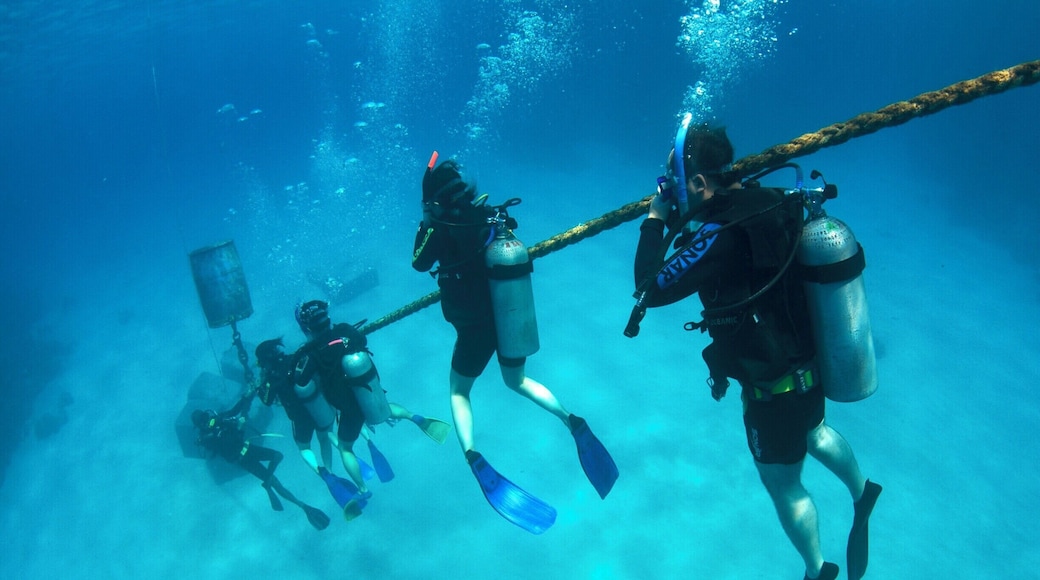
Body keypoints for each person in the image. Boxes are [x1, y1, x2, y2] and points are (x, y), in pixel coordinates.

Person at [629, 121, 881, 580]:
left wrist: (654, 219)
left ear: (698, 182)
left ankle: (817, 570)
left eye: (672, 179)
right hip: (810, 368)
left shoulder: (720, 232)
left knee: (783, 484)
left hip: (772, 391)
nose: (666, 188)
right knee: (817, 433)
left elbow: (649, 288)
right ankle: (863, 492)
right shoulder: (774, 201)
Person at [411, 151, 618, 534]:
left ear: (435, 200)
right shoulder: (489, 217)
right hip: (509, 318)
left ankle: (473, 455)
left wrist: (426, 221)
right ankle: (571, 420)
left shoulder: (439, 229)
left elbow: (419, 262)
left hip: (474, 330)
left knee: (459, 392)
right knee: (518, 380)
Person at [292, 299, 452, 519]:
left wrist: (304, 357)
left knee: (345, 448)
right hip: (366, 391)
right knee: (386, 409)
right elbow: (362, 340)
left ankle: (363, 489)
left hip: (348, 407)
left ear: (307, 328)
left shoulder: (311, 353)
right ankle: (416, 418)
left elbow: (301, 380)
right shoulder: (344, 330)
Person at [191, 393, 330, 530]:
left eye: (206, 417)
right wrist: (239, 428)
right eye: (203, 422)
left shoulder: (219, 419)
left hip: (249, 449)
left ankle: (267, 482)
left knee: (278, 456)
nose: (208, 422)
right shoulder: (207, 439)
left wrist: (247, 397)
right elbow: (230, 446)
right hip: (243, 460)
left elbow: (234, 410)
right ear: (200, 426)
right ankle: (302, 506)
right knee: (276, 483)